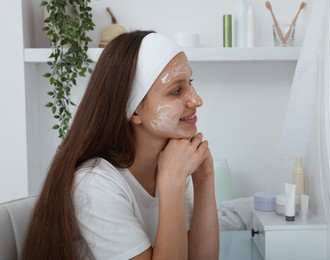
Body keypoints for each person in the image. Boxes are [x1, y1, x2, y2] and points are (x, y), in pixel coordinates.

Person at [22, 30, 219, 260]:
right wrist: (172, 183)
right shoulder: (94, 184)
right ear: (134, 109)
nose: (197, 100)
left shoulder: (173, 164)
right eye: (177, 90)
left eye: (190, 83)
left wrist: (204, 179)